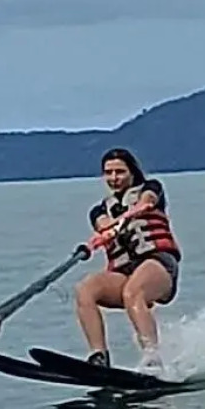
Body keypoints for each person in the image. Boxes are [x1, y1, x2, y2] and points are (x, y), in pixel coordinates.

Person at [74, 147, 181, 372]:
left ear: (132, 172)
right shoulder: (98, 210)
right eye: (108, 173)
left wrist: (130, 214)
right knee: (85, 289)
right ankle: (98, 356)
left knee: (133, 291)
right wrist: (106, 231)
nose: (113, 178)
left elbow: (147, 201)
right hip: (125, 271)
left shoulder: (152, 188)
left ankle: (153, 358)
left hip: (158, 263)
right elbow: (102, 224)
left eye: (119, 172)